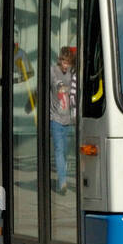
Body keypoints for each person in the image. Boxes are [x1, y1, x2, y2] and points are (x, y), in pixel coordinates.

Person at [50, 46, 76, 194]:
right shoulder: (54, 70)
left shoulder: (72, 72)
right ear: (60, 61)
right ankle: (62, 182)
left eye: (68, 63)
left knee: (65, 152)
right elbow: (55, 83)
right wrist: (61, 86)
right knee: (59, 150)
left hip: (68, 120)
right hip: (55, 118)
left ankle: (62, 177)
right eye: (64, 62)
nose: (65, 66)